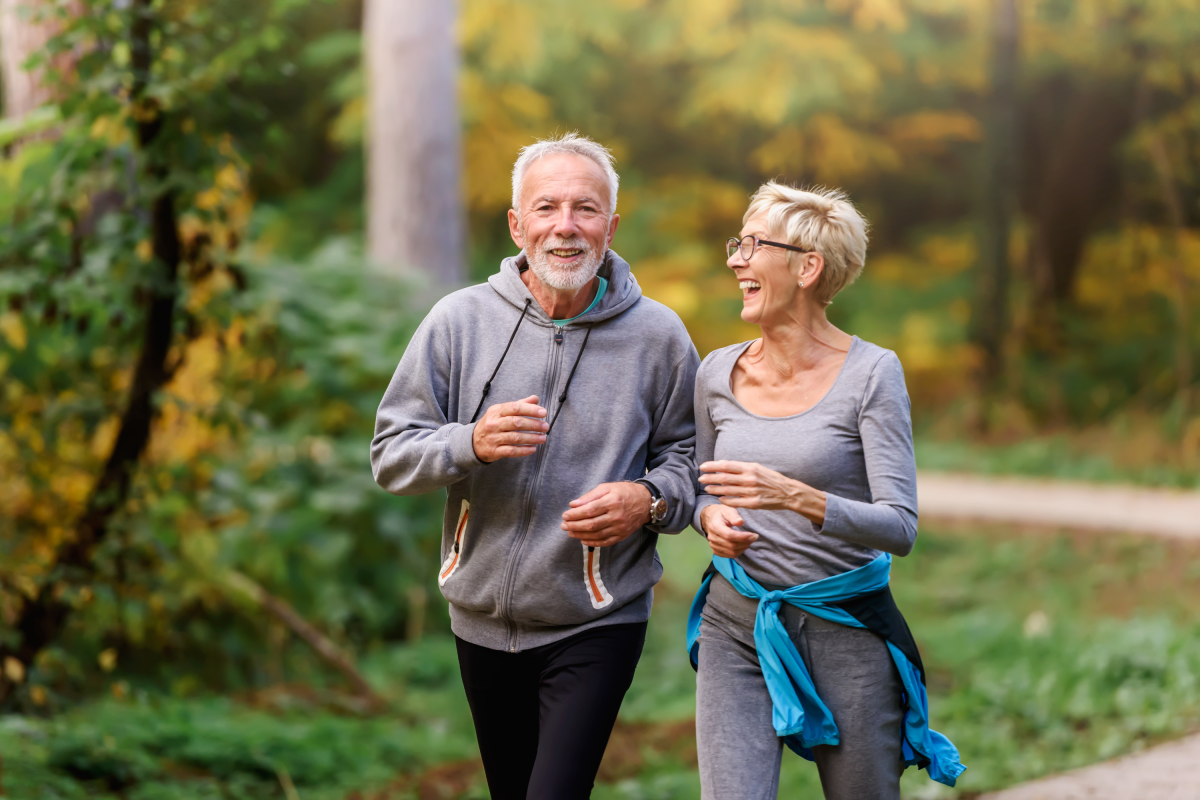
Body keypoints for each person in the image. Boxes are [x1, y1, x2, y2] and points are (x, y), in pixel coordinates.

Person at [371, 132, 700, 799]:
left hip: (597, 618)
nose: (565, 226)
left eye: (585, 208)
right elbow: (391, 455)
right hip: (479, 618)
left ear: (611, 227)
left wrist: (649, 500)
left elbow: (692, 460)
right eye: (547, 207)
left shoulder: (658, 336)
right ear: (518, 225)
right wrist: (469, 442)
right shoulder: (458, 321)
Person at [686, 182, 965, 800]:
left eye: (753, 245)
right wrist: (708, 519)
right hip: (738, 622)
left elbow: (900, 526)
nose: (735, 260)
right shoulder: (715, 372)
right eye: (736, 244)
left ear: (807, 267)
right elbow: (699, 487)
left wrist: (794, 496)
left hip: (846, 627)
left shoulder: (872, 373)